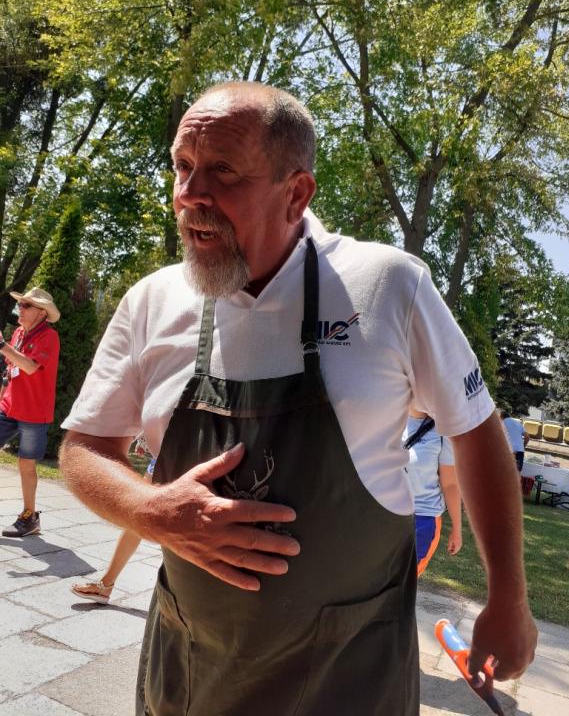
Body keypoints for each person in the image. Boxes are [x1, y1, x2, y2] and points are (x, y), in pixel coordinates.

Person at [60, 81, 537, 715]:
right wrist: (150, 510)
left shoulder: (389, 285)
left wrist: (509, 597)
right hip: (194, 671)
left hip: (351, 674)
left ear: (297, 193)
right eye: (182, 166)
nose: (191, 194)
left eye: (223, 171)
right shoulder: (152, 301)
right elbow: (85, 448)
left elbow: (476, 429)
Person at [1, 287, 60, 538]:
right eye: (20, 304)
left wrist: (2, 345)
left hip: (34, 413)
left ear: (42, 313)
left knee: (26, 464)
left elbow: (30, 367)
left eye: (26, 306)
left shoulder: (49, 337)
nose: (20, 309)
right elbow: (9, 371)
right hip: (8, 407)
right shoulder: (17, 333)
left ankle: (30, 517)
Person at [71, 440, 156, 605]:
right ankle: (106, 584)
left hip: (186, 456)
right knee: (136, 518)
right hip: (167, 454)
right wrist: (147, 438)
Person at [404, 408, 462, 576]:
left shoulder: (442, 433)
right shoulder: (389, 419)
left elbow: (450, 484)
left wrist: (457, 528)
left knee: (407, 580)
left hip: (423, 519)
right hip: (386, 514)